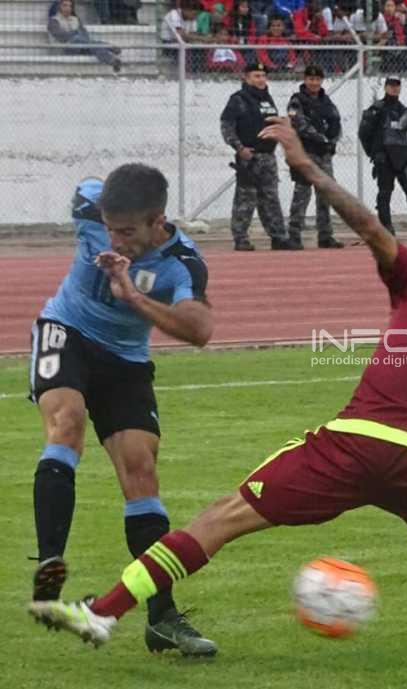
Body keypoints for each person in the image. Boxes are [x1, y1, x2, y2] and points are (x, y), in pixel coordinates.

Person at [28, 117, 407, 663]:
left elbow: (370, 224)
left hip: (355, 443)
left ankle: (103, 612)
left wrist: (306, 166)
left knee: (223, 518)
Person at [27, 166, 217, 656]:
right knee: (66, 424)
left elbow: (200, 330)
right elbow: (88, 186)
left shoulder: (181, 262)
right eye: (110, 229)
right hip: (66, 331)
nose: (115, 240)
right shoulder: (91, 206)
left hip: (126, 359)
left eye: (128, 232)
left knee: (140, 469)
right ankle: (50, 564)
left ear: (158, 221)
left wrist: (132, 295)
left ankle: (162, 618)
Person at [221, 62, 297, 251]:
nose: (261, 79)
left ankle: (278, 237)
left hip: (268, 156)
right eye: (256, 76)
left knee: (270, 198)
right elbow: (227, 126)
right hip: (249, 157)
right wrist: (239, 148)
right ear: (246, 78)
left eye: (263, 76)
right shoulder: (238, 100)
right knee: (245, 199)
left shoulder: (266, 99)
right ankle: (241, 238)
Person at [359, 76, 407, 236]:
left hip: (402, 154)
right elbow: (363, 133)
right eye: (391, 85)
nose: (394, 88)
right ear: (386, 87)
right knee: (385, 192)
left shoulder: (403, 110)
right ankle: (386, 226)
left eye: (397, 86)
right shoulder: (376, 109)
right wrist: (374, 152)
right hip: (384, 156)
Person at [287, 64, 345, 249]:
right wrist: (322, 138)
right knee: (301, 195)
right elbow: (299, 124)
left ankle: (325, 235)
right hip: (305, 153)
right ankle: (294, 235)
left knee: (326, 195)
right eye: (311, 79)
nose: (314, 83)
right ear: (305, 80)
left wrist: (332, 141)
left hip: (324, 154)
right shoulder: (297, 101)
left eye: (317, 79)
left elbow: (336, 122)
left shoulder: (326, 101)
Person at [48, 0, 122, 73]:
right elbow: (62, 36)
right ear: (59, 7)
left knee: (93, 46)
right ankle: (108, 46)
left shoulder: (75, 19)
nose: (68, 8)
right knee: (79, 39)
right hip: (65, 48)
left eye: (70, 6)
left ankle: (113, 61)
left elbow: (85, 35)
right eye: (65, 5)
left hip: (81, 46)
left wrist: (77, 35)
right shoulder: (54, 21)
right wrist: (76, 33)